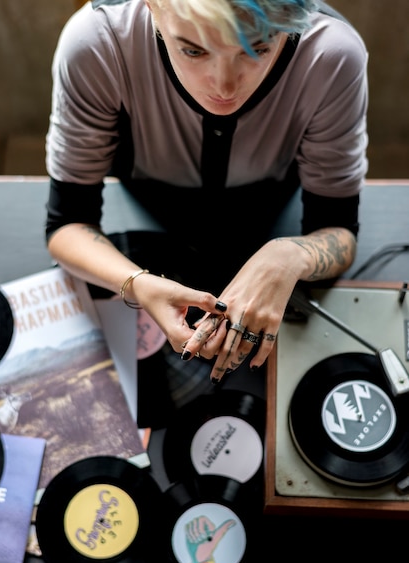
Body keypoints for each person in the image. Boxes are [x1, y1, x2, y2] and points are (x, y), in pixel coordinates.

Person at [44, 0, 368, 387]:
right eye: (193, 50)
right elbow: (66, 224)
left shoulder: (332, 56)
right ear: (152, 7)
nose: (225, 86)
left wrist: (288, 257)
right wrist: (139, 285)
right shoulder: (98, 43)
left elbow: (339, 230)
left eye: (258, 48)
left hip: (271, 210)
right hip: (143, 205)